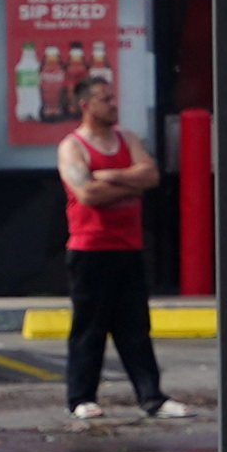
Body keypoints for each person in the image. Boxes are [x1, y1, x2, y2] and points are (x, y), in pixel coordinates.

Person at [57, 72, 176, 423]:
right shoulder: (73, 146)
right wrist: (129, 182)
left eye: (112, 98)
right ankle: (81, 397)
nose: (113, 105)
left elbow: (151, 176)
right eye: (105, 99)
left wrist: (110, 176)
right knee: (89, 326)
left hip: (129, 246)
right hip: (90, 248)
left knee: (135, 326)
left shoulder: (127, 138)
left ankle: (151, 397)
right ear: (85, 105)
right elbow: (87, 194)